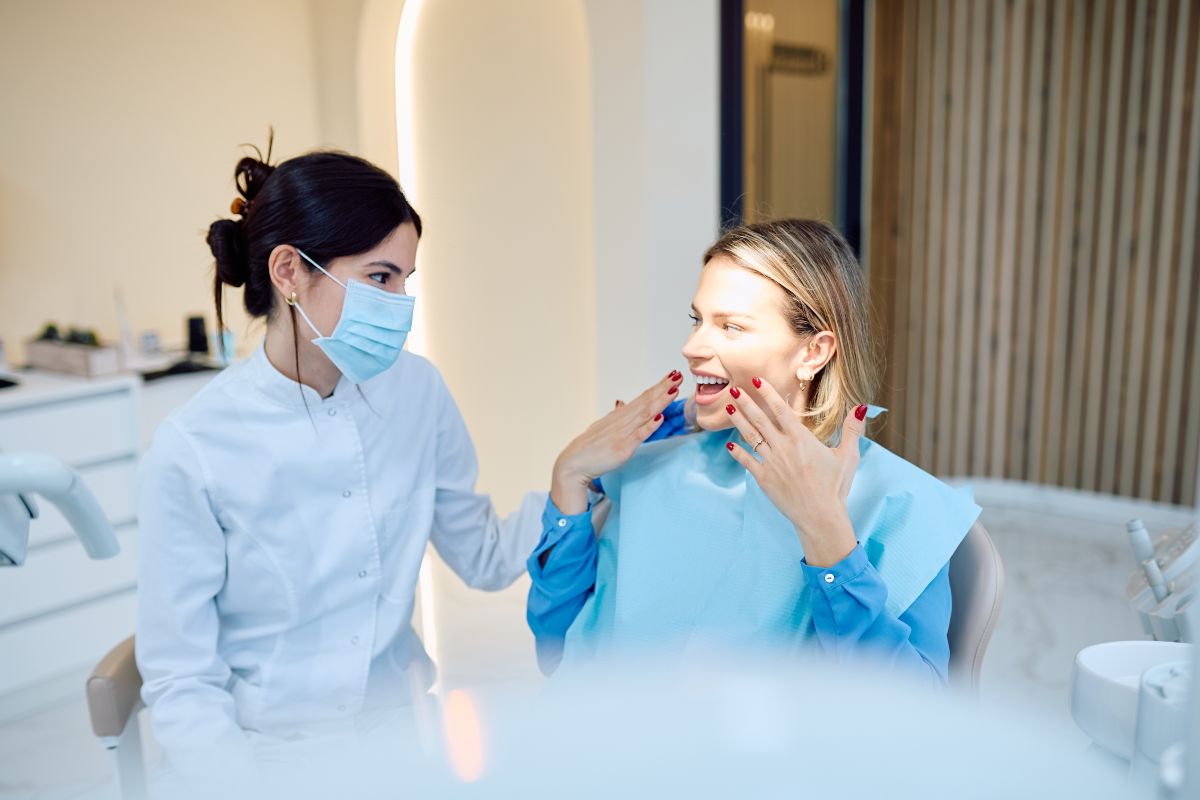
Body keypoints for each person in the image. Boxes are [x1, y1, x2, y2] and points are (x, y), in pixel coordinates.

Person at [134, 142, 680, 785]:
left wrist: (583, 478)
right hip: (266, 757)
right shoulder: (195, 445)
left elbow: (482, 555)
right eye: (379, 277)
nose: (399, 303)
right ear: (289, 271)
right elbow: (182, 681)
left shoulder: (415, 391)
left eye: (405, 281)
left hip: (398, 740)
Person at [527, 219, 980, 680]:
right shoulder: (651, 470)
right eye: (697, 320)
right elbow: (557, 652)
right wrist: (569, 476)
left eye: (731, 327)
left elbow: (915, 719)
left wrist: (828, 538)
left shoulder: (903, 506)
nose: (691, 347)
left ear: (813, 352)